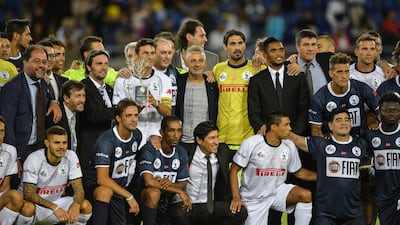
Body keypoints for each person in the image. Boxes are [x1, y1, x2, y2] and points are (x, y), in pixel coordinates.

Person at [229, 112, 316, 225]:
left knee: (305, 195)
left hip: (276, 191)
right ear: (274, 127)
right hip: (254, 197)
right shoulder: (251, 143)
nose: (290, 128)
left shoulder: (289, 145)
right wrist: (236, 197)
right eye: (286, 125)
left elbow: (298, 173)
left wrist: (324, 176)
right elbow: (234, 170)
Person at [289, 108, 370, 225]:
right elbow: (296, 139)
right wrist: (276, 129)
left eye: (347, 120)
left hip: (354, 213)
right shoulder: (321, 144)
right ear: (330, 126)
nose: (344, 123)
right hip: (325, 214)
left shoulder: (361, 145)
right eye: (339, 120)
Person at [168, 121, 247, 225]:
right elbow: (166, 143)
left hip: (211, 206)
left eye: (217, 137)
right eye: (212, 138)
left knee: (240, 212)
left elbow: (242, 158)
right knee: (178, 214)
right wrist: (155, 139)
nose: (216, 142)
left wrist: (236, 198)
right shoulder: (185, 151)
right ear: (199, 140)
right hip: (187, 206)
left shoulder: (223, 151)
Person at [15, 126, 92, 225]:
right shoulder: (34, 159)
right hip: (36, 206)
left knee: (85, 206)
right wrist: (54, 208)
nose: (61, 147)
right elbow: (28, 194)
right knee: (28, 208)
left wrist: (76, 204)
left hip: (56, 202)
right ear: (47, 143)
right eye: (57, 143)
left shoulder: (71, 156)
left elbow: (79, 189)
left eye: (64, 143)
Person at [0, 45, 62, 163]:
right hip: (21, 150)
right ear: (25, 62)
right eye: (36, 61)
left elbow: (48, 97)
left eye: (44, 62)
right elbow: (7, 124)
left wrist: (54, 102)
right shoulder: (12, 88)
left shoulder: (43, 83)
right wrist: (14, 156)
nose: (41, 65)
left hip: (41, 149)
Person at [84, 98, 142, 225]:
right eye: (129, 116)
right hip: (97, 186)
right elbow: (102, 179)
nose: (134, 119)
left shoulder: (137, 135)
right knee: (105, 191)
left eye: (136, 115)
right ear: (118, 118)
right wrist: (129, 196)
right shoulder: (106, 142)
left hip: (119, 188)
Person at [113, 38, 172, 148]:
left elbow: (168, 111)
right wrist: (136, 109)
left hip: (156, 137)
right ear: (137, 55)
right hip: (131, 137)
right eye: (145, 53)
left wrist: (156, 103)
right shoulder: (122, 81)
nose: (149, 57)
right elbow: (117, 114)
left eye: (152, 53)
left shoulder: (164, 80)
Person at [248, 36, 310, 136]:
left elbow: (304, 108)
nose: (278, 54)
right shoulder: (256, 81)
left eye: (281, 50)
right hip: (268, 137)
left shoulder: (297, 76)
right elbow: (254, 112)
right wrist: (262, 127)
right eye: (273, 50)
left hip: (295, 136)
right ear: (265, 55)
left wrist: (295, 133)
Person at [212, 29, 261, 152]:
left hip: (248, 137)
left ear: (245, 45)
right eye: (232, 44)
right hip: (223, 137)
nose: (237, 47)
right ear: (225, 47)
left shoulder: (257, 69)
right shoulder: (218, 69)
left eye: (240, 43)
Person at [135, 116, 190, 225]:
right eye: (171, 130)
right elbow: (149, 182)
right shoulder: (150, 149)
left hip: (166, 201)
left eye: (179, 131)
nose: (176, 135)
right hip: (142, 198)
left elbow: (183, 183)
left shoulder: (181, 152)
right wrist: (178, 190)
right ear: (162, 132)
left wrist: (172, 184)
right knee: (154, 192)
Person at [309, 52, 379, 137]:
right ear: (331, 73)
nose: (344, 76)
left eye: (347, 71)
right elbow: (316, 131)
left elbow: (380, 107)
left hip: (358, 140)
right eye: (339, 72)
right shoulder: (319, 98)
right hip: (332, 143)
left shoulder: (360, 88)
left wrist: (371, 117)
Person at [364, 93, 400, 225]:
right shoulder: (369, 134)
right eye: (387, 110)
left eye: (395, 110)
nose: (391, 113)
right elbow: (364, 162)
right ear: (380, 112)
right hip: (381, 195)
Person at [175, 45, 219, 151]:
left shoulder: (213, 84)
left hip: (205, 144)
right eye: (193, 61)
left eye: (200, 60)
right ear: (186, 63)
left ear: (205, 63)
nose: (197, 64)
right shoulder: (177, 82)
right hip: (182, 143)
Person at [79, 49, 115, 173]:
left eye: (106, 64)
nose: (104, 67)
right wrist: (119, 110)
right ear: (89, 67)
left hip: (108, 149)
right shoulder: (82, 87)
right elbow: (94, 115)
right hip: (90, 149)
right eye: (99, 64)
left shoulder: (109, 89)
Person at [63, 36, 128, 87]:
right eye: (98, 51)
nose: (102, 54)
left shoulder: (111, 72)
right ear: (86, 54)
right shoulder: (70, 75)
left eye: (103, 51)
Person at [46, 80, 85, 152]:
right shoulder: (55, 116)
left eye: (83, 95)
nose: (82, 100)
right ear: (66, 98)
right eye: (78, 96)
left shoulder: (80, 114)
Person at [0, 116, 24, 225]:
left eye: (1, 131)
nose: (0, 136)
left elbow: (5, 187)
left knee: (16, 196)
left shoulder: (10, 151)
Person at [295, 29, 331, 95]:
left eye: (313, 44)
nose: (310, 49)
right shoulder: (289, 67)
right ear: (297, 47)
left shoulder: (327, 60)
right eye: (306, 45)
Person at [153, 36, 179, 114]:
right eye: (163, 53)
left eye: (170, 53)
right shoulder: (145, 73)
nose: (167, 57)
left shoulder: (176, 72)